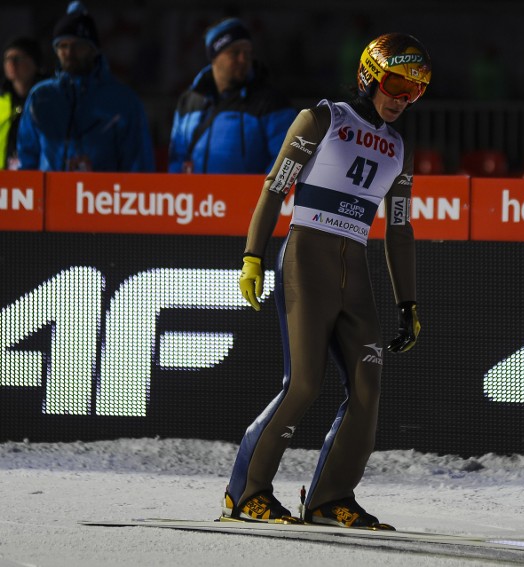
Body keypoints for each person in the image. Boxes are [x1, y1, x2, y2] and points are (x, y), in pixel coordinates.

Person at [224, 32, 431, 529]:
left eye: (415, 91)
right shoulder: (322, 119)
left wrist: (408, 304)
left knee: (368, 384)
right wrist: (252, 256)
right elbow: (274, 189)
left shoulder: (398, 148)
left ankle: (328, 498)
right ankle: (244, 492)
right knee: (303, 385)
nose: (403, 99)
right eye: (396, 84)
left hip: (353, 269)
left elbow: (399, 230)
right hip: (307, 259)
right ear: (370, 75)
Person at [16, 1, 154, 172]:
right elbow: (27, 158)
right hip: (52, 197)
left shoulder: (123, 102)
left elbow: (138, 165)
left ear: (93, 49)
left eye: (78, 46)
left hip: (102, 197)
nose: (69, 53)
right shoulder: (41, 97)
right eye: (62, 46)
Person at [168, 18, 297, 174]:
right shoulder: (189, 101)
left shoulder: (271, 102)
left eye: (247, 53)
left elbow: (287, 160)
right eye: (234, 53)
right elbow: (177, 158)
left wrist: (264, 196)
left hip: (248, 198)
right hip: (198, 198)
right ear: (214, 56)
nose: (243, 59)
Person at [0, 37, 47, 170]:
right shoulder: (2, 101)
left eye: (18, 58)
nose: (12, 64)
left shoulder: (47, 99)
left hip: (38, 176)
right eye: (7, 59)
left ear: (35, 63)